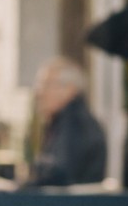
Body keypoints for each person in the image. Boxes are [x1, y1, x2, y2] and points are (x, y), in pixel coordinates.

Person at [26, 57, 106, 186]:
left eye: (47, 84)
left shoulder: (76, 124)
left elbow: (59, 177)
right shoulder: (61, 121)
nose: (39, 92)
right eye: (39, 84)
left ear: (70, 89)